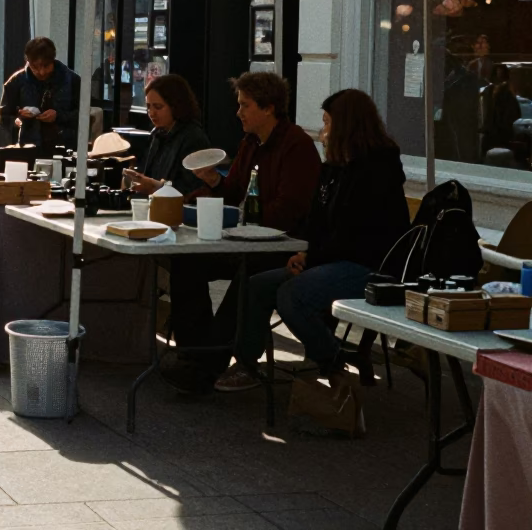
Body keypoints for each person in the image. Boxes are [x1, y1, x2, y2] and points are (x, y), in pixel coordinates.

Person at [216, 90, 409, 393]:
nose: (323, 131)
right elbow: (316, 220)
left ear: (346, 126)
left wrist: (310, 258)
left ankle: (333, 367)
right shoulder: (334, 166)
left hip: (370, 267)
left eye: (328, 123)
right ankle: (246, 364)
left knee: (293, 295)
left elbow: (356, 233)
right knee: (257, 284)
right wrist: (302, 250)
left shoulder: (376, 171)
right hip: (330, 258)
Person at [162, 71, 321, 393]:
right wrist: (214, 183)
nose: (238, 112)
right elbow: (234, 190)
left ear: (269, 108)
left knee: (247, 277)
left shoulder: (297, 146)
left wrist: (236, 219)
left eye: (245, 105)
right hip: (244, 237)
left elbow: (290, 209)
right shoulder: (250, 142)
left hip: (280, 245)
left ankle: (209, 365)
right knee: (185, 263)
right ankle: (194, 352)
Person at [124, 74, 211, 194]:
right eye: (148, 107)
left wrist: (156, 186)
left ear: (176, 106)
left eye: (158, 107)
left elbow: (193, 188)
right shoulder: (157, 134)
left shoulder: (193, 138)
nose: (151, 113)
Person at [0, 37, 81, 153]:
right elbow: (4, 116)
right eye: (35, 67)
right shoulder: (16, 82)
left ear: (53, 60)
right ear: (28, 61)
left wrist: (58, 116)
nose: (41, 72)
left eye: (46, 66)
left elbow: (84, 116)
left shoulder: (72, 80)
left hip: (64, 148)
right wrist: (18, 119)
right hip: (27, 148)